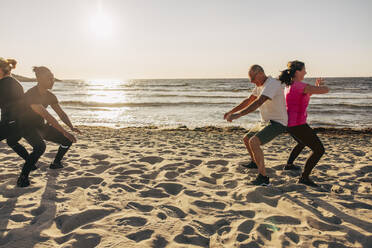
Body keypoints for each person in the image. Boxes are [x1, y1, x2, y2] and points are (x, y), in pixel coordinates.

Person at [9, 66, 78, 187]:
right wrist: (64, 131)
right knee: (40, 147)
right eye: (48, 78)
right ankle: (23, 177)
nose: (52, 81)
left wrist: (71, 127)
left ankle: (56, 163)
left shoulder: (50, 96)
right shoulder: (31, 94)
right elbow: (47, 116)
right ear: (39, 79)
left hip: (40, 126)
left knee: (67, 141)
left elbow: (61, 113)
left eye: (52, 78)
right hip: (26, 126)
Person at [224, 65, 288, 186]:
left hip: (278, 122)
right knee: (247, 139)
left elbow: (259, 101)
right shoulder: (258, 85)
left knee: (254, 141)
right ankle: (254, 162)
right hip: (266, 122)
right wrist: (231, 112)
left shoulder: (272, 83)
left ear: (260, 73)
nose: (252, 82)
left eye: (253, 78)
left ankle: (263, 177)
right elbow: (249, 100)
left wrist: (238, 115)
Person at [279, 60, 329, 187]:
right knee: (319, 150)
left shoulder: (290, 85)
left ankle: (289, 165)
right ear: (297, 72)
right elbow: (325, 90)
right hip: (298, 125)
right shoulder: (300, 86)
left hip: (290, 124)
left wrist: (315, 87)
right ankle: (304, 178)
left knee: (302, 142)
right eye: (304, 70)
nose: (306, 72)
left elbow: (306, 92)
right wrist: (321, 87)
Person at [0, 58, 30, 161]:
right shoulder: (13, 82)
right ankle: (31, 162)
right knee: (12, 141)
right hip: (19, 123)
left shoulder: (4, 83)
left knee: (11, 140)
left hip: (11, 122)